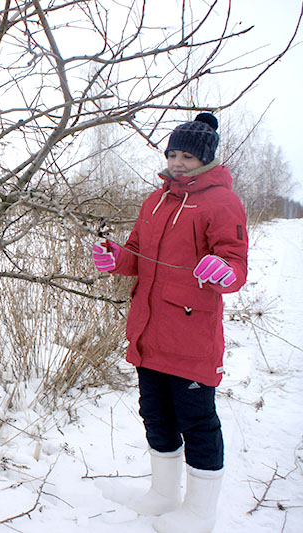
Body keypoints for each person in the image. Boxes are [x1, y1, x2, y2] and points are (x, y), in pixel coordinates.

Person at [91, 112, 248, 533]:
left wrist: (223, 270)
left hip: (191, 336)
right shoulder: (155, 200)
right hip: (149, 329)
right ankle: (163, 494)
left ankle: (200, 510)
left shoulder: (222, 202)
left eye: (188, 156)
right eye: (173, 154)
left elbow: (236, 265)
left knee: (196, 420)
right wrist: (116, 258)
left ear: (207, 159)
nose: (178, 163)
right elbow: (137, 255)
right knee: (155, 414)